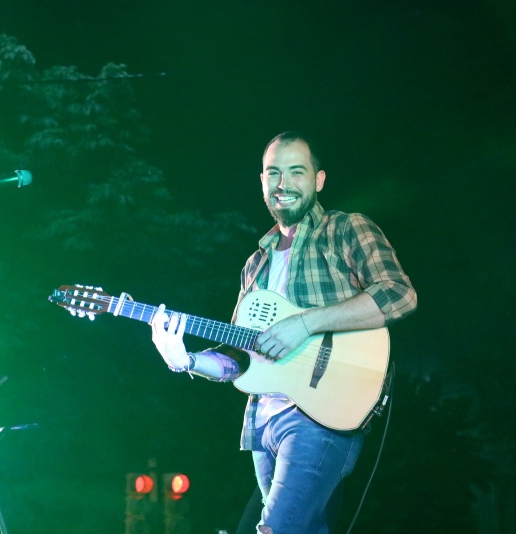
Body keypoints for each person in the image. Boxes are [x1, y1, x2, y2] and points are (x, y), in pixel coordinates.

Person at [150, 131, 417, 534]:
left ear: (319, 179)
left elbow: (399, 294)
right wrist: (184, 360)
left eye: (296, 172)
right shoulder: (254, 264)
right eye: (274, 173)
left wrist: (306, 322)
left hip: (321, 416)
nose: (283, 184)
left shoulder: (346, 229)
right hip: (263, 422)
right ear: (262, 182)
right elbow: (239, 359)